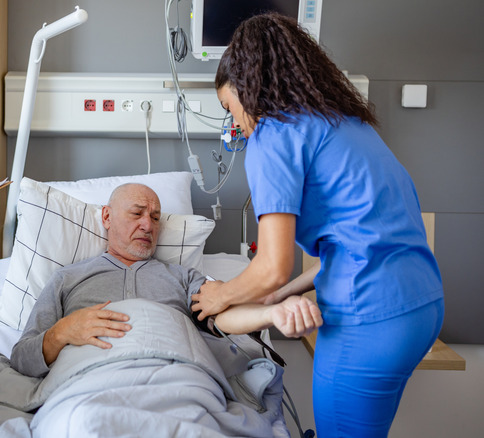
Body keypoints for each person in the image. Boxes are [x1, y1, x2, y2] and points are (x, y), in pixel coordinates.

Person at [190, 13, 445, 437]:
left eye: (229, 108)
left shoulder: (272, 136)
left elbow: (273, 264)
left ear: (248, 90)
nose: (234, 123)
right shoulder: (347, 123)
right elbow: (363, 241)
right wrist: (282, 294)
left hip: (368, 320)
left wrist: (221, 295)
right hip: (421, 308)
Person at [10, 183, 322, 378]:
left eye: (156, 217)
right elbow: (22, 359)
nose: (148, 224)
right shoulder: (67, 279)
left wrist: (271, 313)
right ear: (107, 218)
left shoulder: (181, 276)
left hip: (178, 382)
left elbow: (222, 315)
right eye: (137, 213)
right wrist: (63, 331)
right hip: (88, 382)